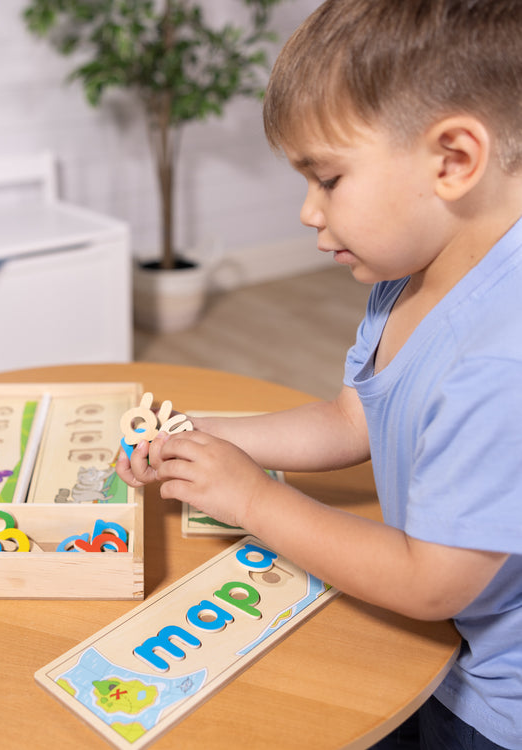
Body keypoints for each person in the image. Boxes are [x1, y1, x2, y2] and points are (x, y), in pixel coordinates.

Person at [115, 1, 522, 748]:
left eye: (327, 178)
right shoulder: (411, 272)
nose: (307, 211)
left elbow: (431, 584)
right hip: (436, 641)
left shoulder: (505, 362)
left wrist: (248, 500)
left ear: (454, 160)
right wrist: (202, 436)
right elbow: (350, 420)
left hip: (493, 704)